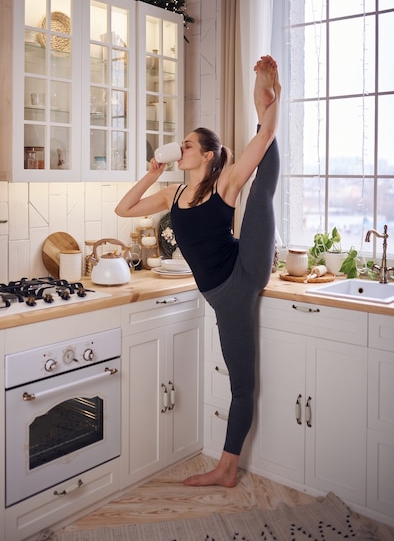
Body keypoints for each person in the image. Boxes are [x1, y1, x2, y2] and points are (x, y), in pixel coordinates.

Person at [115, 55, 280, 487]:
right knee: (241, 380)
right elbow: (124, 208)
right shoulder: (172, 193)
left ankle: (267, 98)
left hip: (241, 277)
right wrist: (152, 173)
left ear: (207, 155)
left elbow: (259, 146)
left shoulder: (223, 185)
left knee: (261, 190)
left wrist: (268, 107)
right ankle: (227, 469)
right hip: (220, 292)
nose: (181, 147)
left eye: (188, 144)